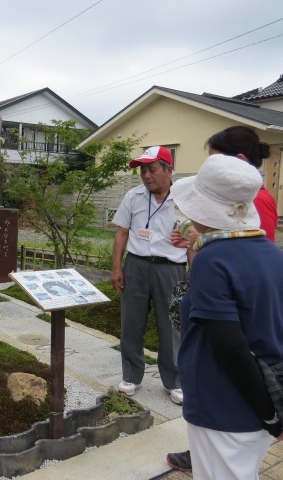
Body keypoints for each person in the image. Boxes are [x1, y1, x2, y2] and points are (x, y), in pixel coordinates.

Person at [167, 127, 278, 471]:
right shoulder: (272, 253)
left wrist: (270, 413)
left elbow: (229, 346)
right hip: (262, 397)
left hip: (224, 404)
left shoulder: (215, 262)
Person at [111, 146, 187, 405]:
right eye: (142, 170)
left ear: (168, 170)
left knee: (172, 327)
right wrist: (117, 268)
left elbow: (195, 238)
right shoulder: (133, 197)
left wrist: (193, 271)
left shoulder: (184, 200)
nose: (145, 175)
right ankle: (131, 375)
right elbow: (121, 233)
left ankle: (175, 381)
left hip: (172, 269)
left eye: (151, 169)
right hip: (137, 266)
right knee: (131, 323)